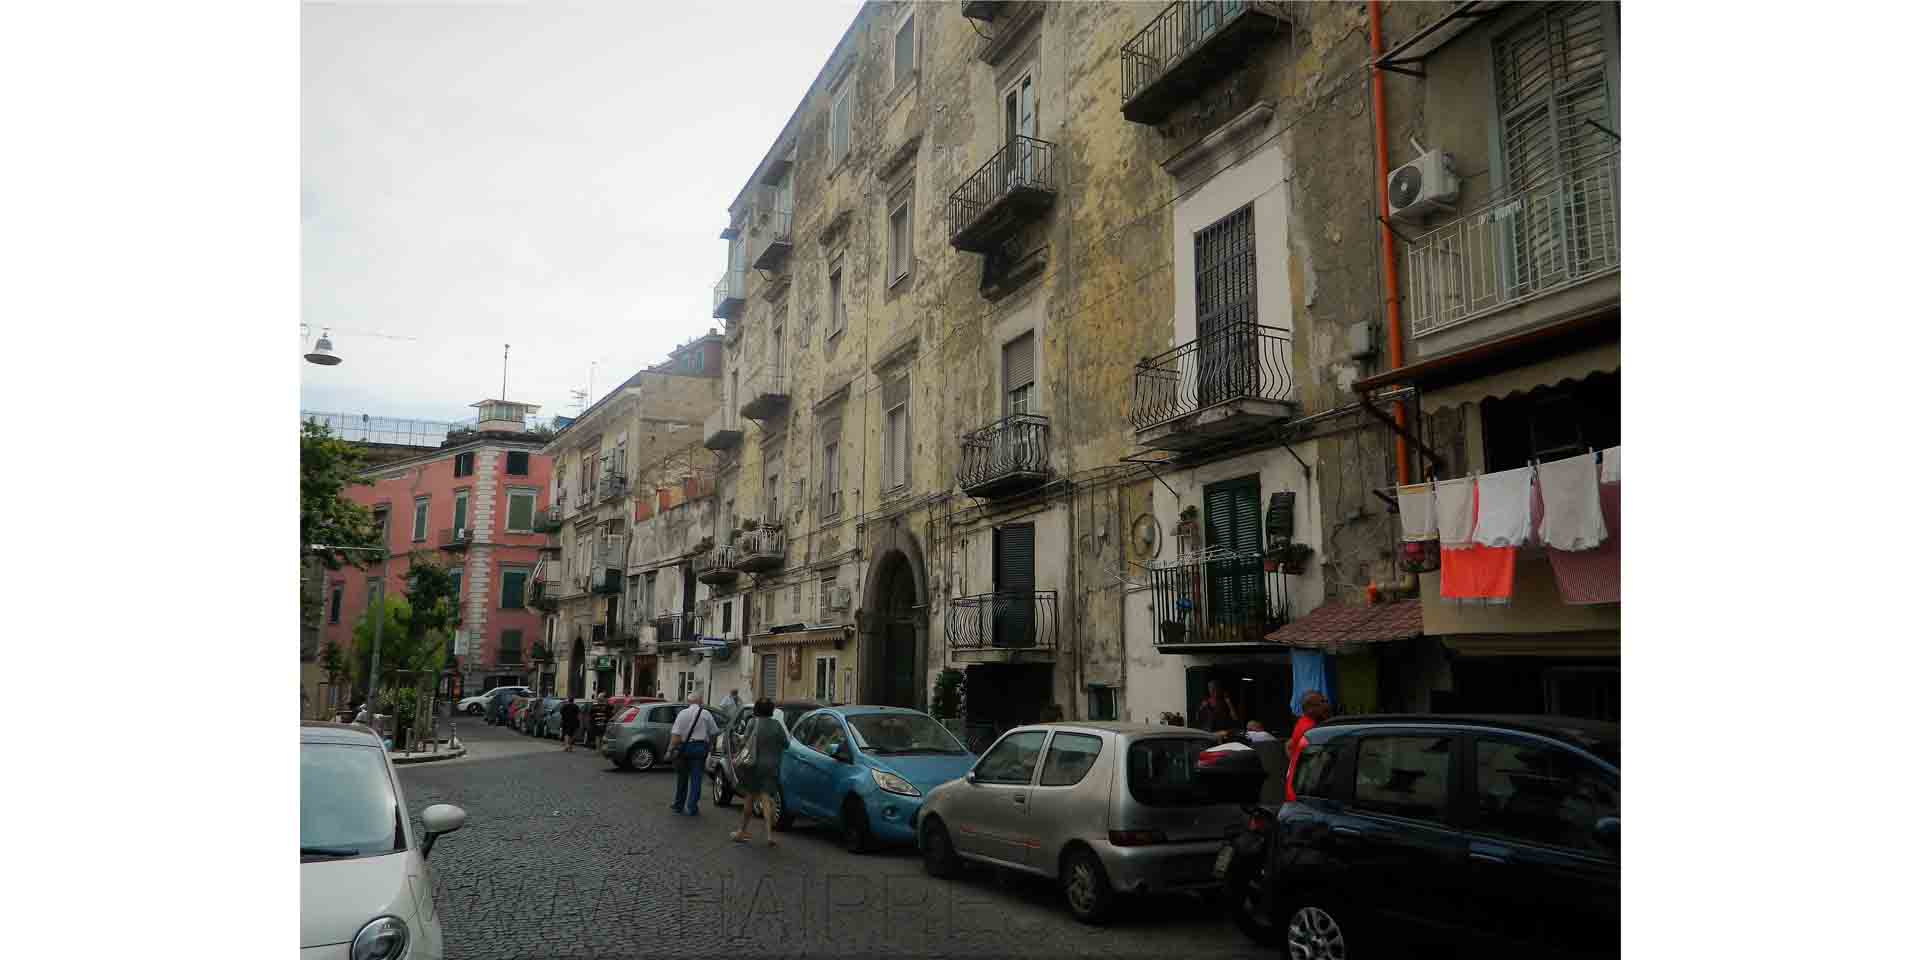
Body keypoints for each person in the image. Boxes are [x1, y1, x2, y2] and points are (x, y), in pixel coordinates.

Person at [729, 697, 790, 847]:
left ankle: (741, 831)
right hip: (771, 766)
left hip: (753, 765)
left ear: (756, 710)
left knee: (750, 797)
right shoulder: (776, 725)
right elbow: (786, 744)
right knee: (766, 798)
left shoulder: (752, 723)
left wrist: (739, 741)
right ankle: (769, 835)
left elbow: (744, 743)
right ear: (771, 710)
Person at [667, 694, 721, 816]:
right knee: (696, 779)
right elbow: (714, 732)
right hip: (699, 747)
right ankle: (692, 807)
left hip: (684, 748)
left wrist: (670, 750)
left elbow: (675, 736)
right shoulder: (706, 713)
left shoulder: (682, 714)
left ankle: (678, 805)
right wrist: (710, 745)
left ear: (688, 702)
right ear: (700, 701)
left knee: (682, 778)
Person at [1284, 691, 1332, 801]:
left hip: (1298, 787)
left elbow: (1288, 745)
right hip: (1304, 794)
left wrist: (1295, 763)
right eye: (1322, 702)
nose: (1326, 705)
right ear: (1310, 708)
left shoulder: (1303, 722)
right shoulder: (1311, 730)